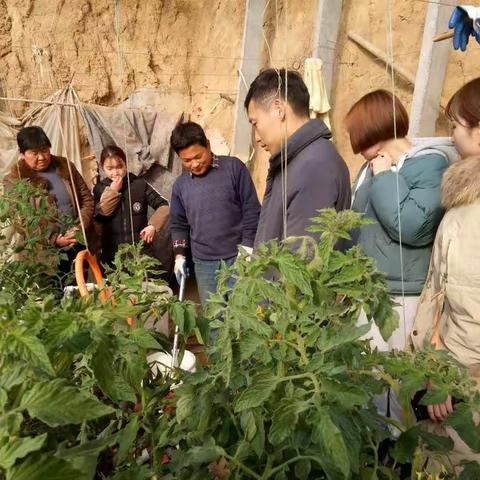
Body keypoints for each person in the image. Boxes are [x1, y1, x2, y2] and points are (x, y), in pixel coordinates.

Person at [345, 89, 452, 352]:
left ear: (368, 130)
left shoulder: (430, 165)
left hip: (403, 296)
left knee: (394, 380)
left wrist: (384, 177)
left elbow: (412, 227)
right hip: (367, 289)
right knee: (368, 377)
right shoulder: (370, 167)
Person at [411, 78, 480, 469]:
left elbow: (470, 310)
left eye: (455, 125)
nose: (450, 135)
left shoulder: (471, 216)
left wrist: (444, 377)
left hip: (464, 393)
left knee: (452, 463)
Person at [244, 68, 351, 247]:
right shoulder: (297, 160)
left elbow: (303, 262)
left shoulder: (314, 167)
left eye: (255, 123)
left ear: (279, 109)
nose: (256, 137)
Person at [170, 122, 260, 305]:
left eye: (198, 156)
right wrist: (179, 255)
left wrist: (248, 247)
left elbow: (251, 210)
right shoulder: (180, 186)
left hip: (238, 257)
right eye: (186, 161)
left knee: (242, 313)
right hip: (204, 264)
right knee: (214, 320)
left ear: (208, 145)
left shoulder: (234, 168)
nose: (194, 164)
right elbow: (179, 224)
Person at [3, 126, 94, 284]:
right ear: (23, 154)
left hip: (77, 243)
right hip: (44, 254)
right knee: (55, 297)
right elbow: (21, 219)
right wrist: (52, 238)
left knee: (81, 291)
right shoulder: (14, 180)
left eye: (44, 150)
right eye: (34, 153)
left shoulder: (65, 166)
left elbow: (87, 200)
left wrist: (79, 228)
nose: (42, 157)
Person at [93, 145, 170, 268]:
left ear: (126, 164)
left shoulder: (139, 184)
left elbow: (164, 205)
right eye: (110, 168)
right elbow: (99, 217)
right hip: (113, 256)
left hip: (140, 253)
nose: (115, 172)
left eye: (119, 167)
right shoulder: (99, 189)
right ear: (102, 168)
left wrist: (153, 226)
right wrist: (112, 192)